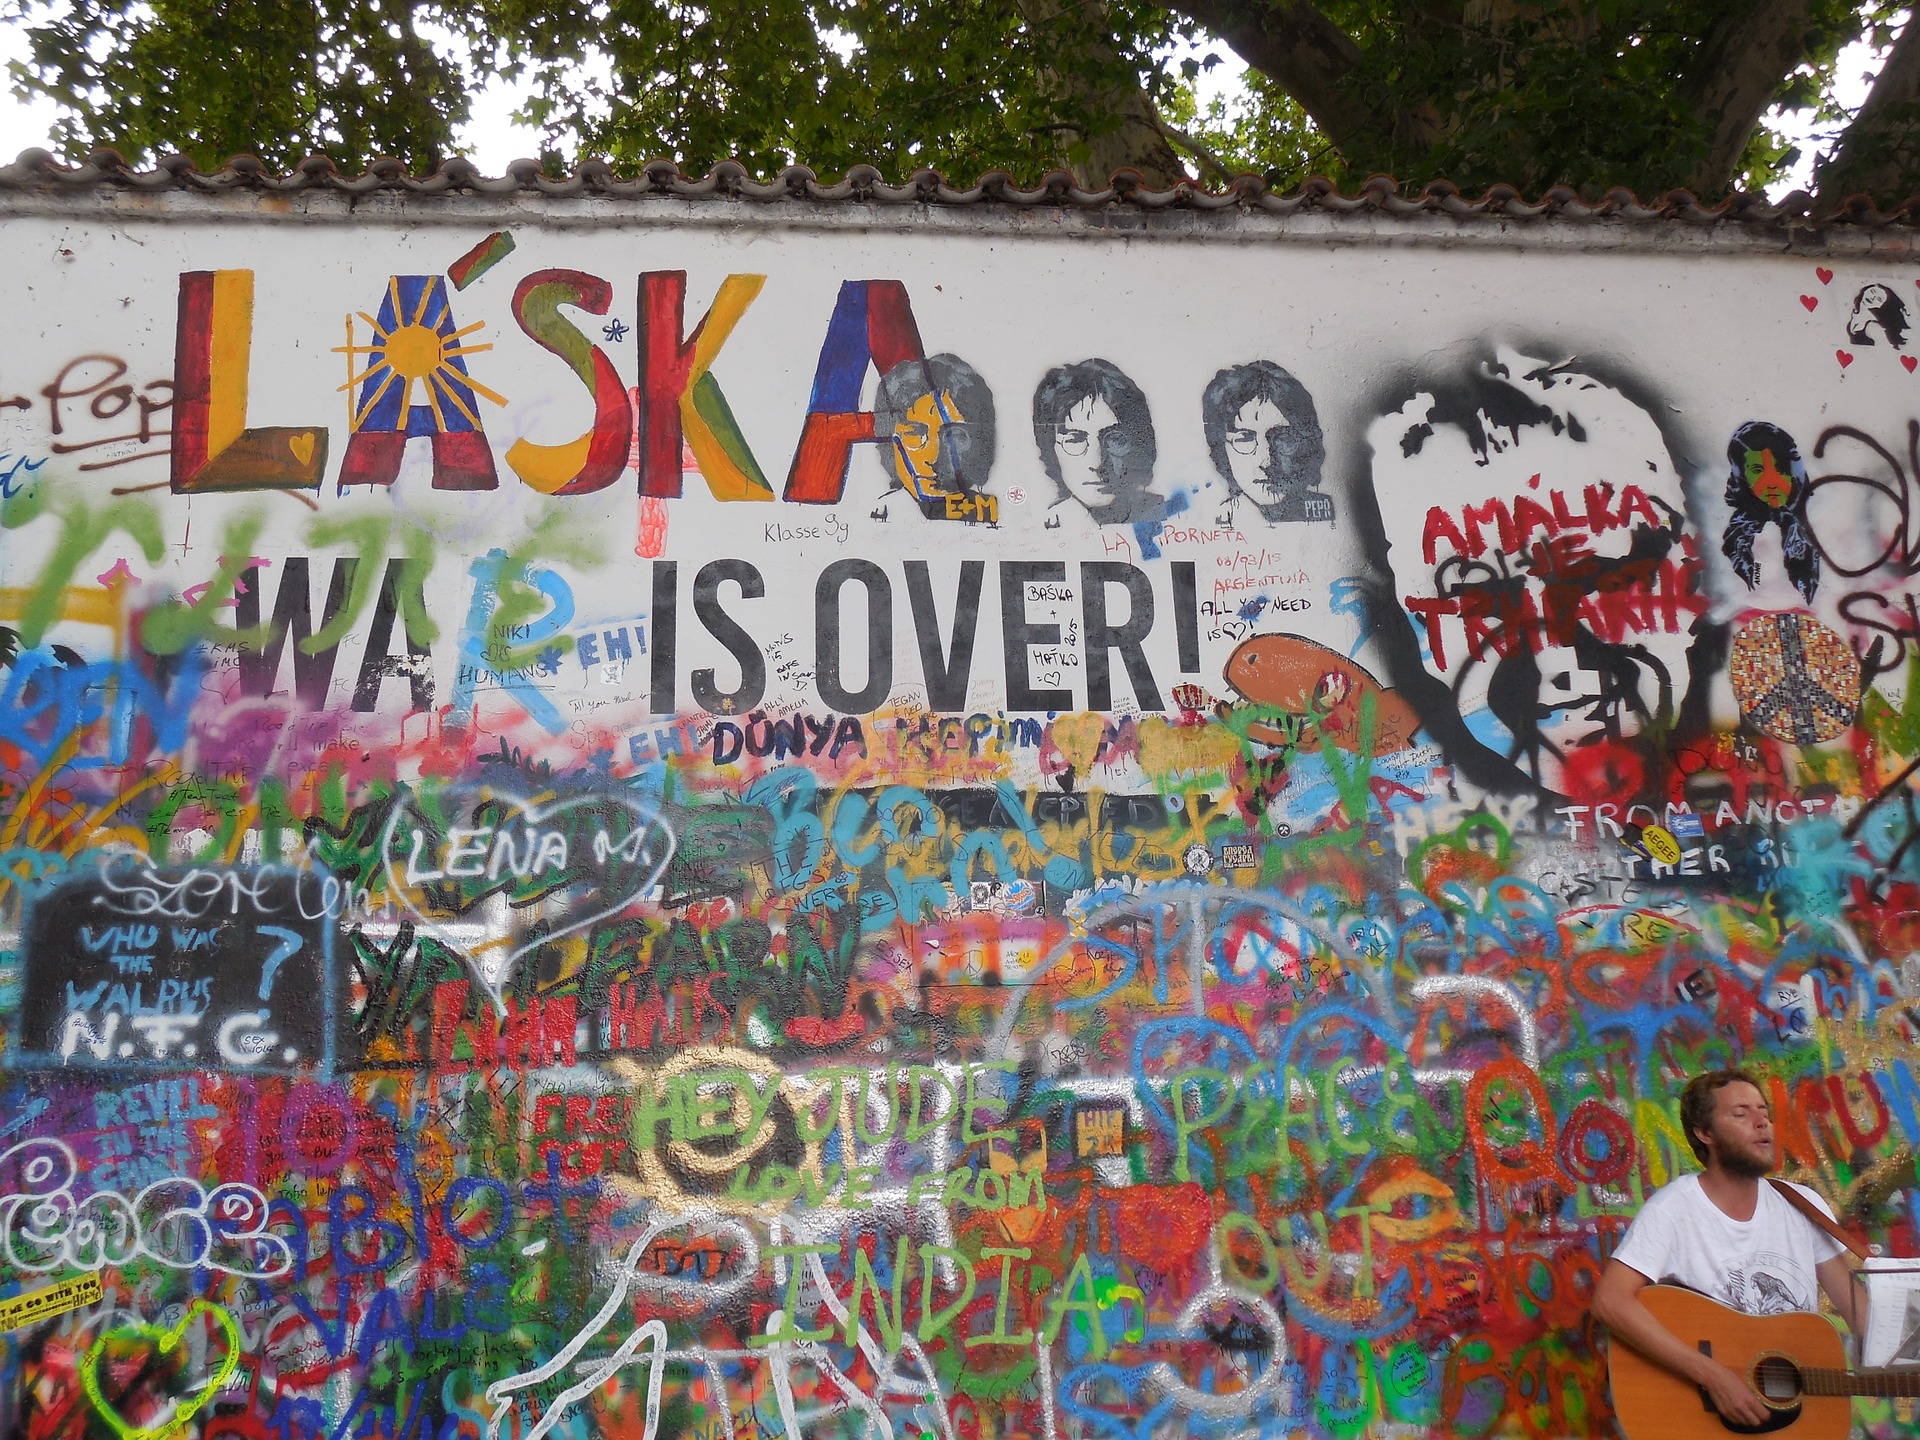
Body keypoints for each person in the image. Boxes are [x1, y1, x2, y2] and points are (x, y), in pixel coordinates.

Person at [1591, 1068, 1862, 1429]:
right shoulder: (1674, 1210)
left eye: (1764, 1111)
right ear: (1705, 1133)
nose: (1761, 1122)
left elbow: (1860, 1314)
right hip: (1705, 1420)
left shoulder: (1803, 1205)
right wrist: (1714, 1377)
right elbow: (1610, 1301)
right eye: (1741, 1113)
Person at [1030, 359, 1162, 525]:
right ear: (1050, 449)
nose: (1097, 463)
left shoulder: (1168, 517)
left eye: (1114, 439)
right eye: (1075, 440)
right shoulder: (1050, 524)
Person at [1200, 361, 1332, 525]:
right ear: (1222, 451)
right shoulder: (1218, 518)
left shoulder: (1323, 515)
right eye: (1245, 439)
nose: (1266, 460)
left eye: (1282, 438)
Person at [873, 354, 998, 523]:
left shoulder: (988, 513)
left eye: (955, 436)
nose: (933, 458)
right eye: (914, 433)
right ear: (890, 442)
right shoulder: (883, 512)